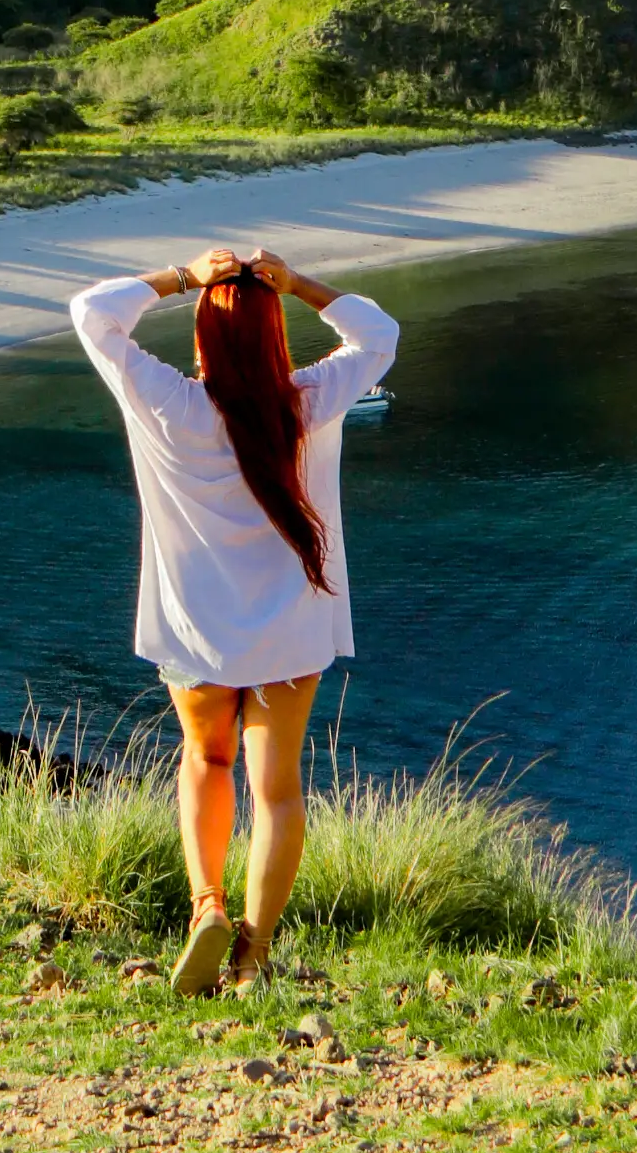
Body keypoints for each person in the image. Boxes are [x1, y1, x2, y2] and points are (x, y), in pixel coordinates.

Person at [69, 242, 399, 996]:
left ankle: (206, 907)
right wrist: (299, 284)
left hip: (194, 632)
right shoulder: (311, 401)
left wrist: (184, 277)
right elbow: (379, 335)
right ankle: (254, 951)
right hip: (291, 635)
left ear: (201, 340)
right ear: (276, 336)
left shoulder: (169, 404)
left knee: (205, 761)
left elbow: (92, 313)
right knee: (276, 790)